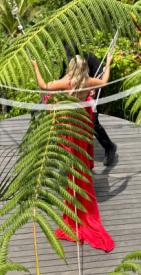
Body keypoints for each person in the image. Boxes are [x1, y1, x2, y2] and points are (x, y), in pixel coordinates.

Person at [30, 54, 115, 253]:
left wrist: (35, 66)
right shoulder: (88, 82)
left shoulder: (66, 83)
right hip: (83, 123)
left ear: (70, 67)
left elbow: (43, 85)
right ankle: (79, 176)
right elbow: (104, 81)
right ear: (85, 68)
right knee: (80, 158)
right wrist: (108, 63)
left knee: (72, 160)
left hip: (70, 125)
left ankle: (75, 192)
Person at [62, 43, 117, 166]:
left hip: (91, 90)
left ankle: (109, 147)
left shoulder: (90, 59)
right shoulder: (67, 61)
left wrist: (92, 90)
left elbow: (101, 78)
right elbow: (64, 77)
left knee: (93, 121)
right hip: (75, 92)